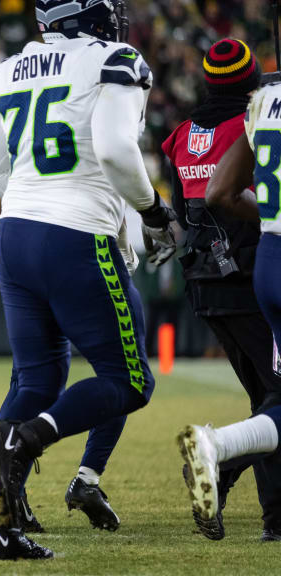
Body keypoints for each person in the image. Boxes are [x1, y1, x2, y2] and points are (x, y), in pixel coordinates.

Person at [0, 0, 176, 559]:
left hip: (15, 234)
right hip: (76, 235)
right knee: (130, 381)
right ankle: (25, 438)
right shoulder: (115, 59)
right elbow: (112, 147)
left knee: (36, 381)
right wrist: (154, 212)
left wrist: (37, 201)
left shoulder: (9, 68)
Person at [160, 38, 281, 541]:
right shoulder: (249, 121)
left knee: (266, 396)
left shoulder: (181, 133)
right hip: (253, 272)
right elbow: (230, 196)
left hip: (204, 281)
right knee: (274, 396)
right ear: (250, 78)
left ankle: (272, 515)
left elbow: (188, 205)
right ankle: (229, 470)